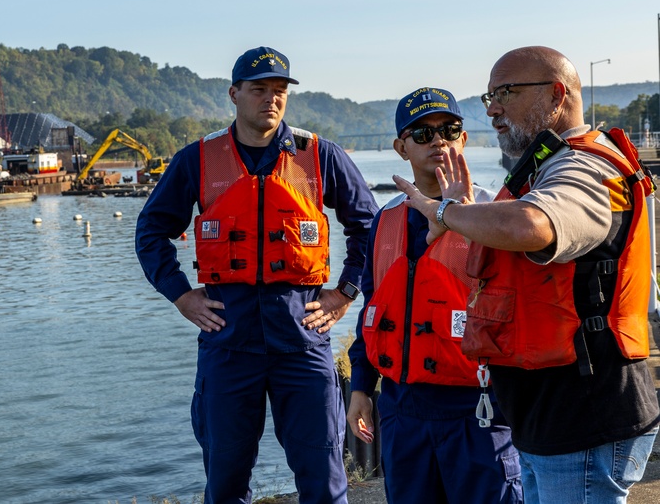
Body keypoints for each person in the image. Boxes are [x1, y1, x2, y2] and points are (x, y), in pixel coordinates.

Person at [393, 46, 660, 504]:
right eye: (489, 96)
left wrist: (449, 212)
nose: (492, 109)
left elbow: (531, 226)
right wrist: (456, 221)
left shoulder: (583, 168)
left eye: (506, 93)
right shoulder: (543, 170)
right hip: (550, 417)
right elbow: (505, 277)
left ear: (557, 95)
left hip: (584, 417)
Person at [135, 46, 378, 504]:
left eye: (280, 90)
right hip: (228, 343)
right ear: (234, 93)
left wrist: (345, 293)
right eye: (259, 89)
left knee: (323, 480)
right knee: (225, 481)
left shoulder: (318, 156)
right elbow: (150, 231)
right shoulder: (199, 160)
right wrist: (182, 296)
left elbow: (369, 224)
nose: (271, 99)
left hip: (302, 342)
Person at [347, 87, 523, 503]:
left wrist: (458, 218)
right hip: (402, 411)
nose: (438, 141)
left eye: (449, 129)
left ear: (463, 139)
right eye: (422, 134)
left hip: (480, 410)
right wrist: (360, 388)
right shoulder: (384, 222)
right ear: (401, 148)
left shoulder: (498, 213)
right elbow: (374, 312)